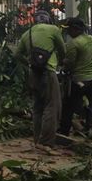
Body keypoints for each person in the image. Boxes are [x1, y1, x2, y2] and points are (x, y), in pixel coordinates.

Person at [16, 10, 66, 147]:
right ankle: (46, 142)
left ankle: (37, 139)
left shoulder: (27, 34)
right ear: (48, 20)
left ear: (35, 20)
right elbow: (63, 50)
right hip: (48, 72)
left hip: (33, 73)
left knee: (38, 106)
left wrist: (29, 62)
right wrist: (61, 62)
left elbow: (17, 54)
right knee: (52, 106)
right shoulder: (54, 29)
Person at [59, 18, 92, 136]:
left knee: (69, 105)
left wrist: (63, 68)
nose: (68, 32)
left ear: (75, 29)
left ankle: (64, 131)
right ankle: (90, 131)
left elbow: (69, 63)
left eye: (69, 29)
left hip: (78, 81)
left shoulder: (74, 43)